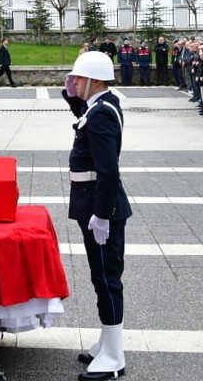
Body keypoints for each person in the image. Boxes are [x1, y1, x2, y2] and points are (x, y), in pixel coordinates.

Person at [61, 51, 130, 381]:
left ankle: (115, 356)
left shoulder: (101, 113)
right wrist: (71, 96)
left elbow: (107, 170)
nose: (73, 82)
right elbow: (84, 117)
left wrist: (102, 215)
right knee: (100, 276)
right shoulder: (103, 105)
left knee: (106, 278)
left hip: (100, 205)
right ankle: (107, 338)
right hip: (92, 202)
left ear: (96, 80)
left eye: (78, 78)